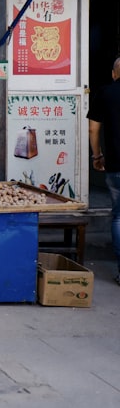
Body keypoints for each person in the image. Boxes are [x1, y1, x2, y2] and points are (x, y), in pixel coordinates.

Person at [87, 55, 120, 286]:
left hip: (116, 165)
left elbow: (93, 129)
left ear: (113, 73)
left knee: (118, 217)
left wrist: (97, 156)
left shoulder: (105, 93)